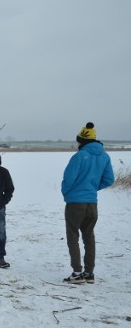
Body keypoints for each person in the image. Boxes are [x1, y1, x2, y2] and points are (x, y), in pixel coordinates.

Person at [61, 122, 115, 284]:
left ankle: (77, 272)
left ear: (82, 141)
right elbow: (109, 180)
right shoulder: (105, 156)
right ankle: (89, 273)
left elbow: (68, 179)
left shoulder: (79, 156)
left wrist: (67, 193)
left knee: (73, 235)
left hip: (76, 202)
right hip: (92, 203)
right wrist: (92, 189)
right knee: (89, 236)